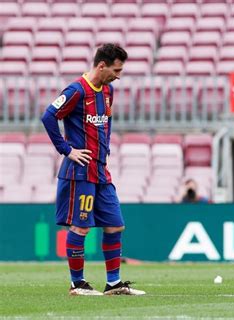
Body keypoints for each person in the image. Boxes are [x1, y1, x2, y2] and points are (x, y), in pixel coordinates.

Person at [41, 43, 145, 296]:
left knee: (114, 225)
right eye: (116, 69)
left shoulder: (108, 90)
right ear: (101, 65)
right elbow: (48, 116)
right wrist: (67, 150)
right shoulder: (76, 90)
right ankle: (77, 284)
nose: (118, 75)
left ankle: (114, 283)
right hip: (80, 171)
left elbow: (105, 123)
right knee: (81, 227)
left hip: (100, 171)